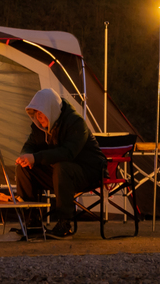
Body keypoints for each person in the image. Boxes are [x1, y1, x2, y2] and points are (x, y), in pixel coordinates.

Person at [14, 88, 106, 239]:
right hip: (60, 174)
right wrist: (25, 156)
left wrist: (36, 158)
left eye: (42, 115)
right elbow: (30, 144)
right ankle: (32, 221)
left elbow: (68, 153)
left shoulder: (76, 123)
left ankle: (64, 222)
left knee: (62, 167)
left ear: (51, 110)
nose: (39, 119)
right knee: (23, 169)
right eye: (37, 115)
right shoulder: (39, 127)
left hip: (88, 172)